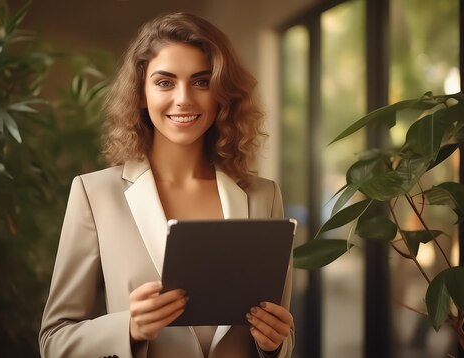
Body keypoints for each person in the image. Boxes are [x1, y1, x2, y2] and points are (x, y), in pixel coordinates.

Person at [39, 12, 295, 358]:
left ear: (222, 93)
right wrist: (129, 328)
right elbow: (54, 340)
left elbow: (280, 333)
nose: (184, 99)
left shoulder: (264, 195)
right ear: (141, 93)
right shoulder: (95, 195)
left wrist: (274, 344)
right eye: (165, 82)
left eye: (202, 82)